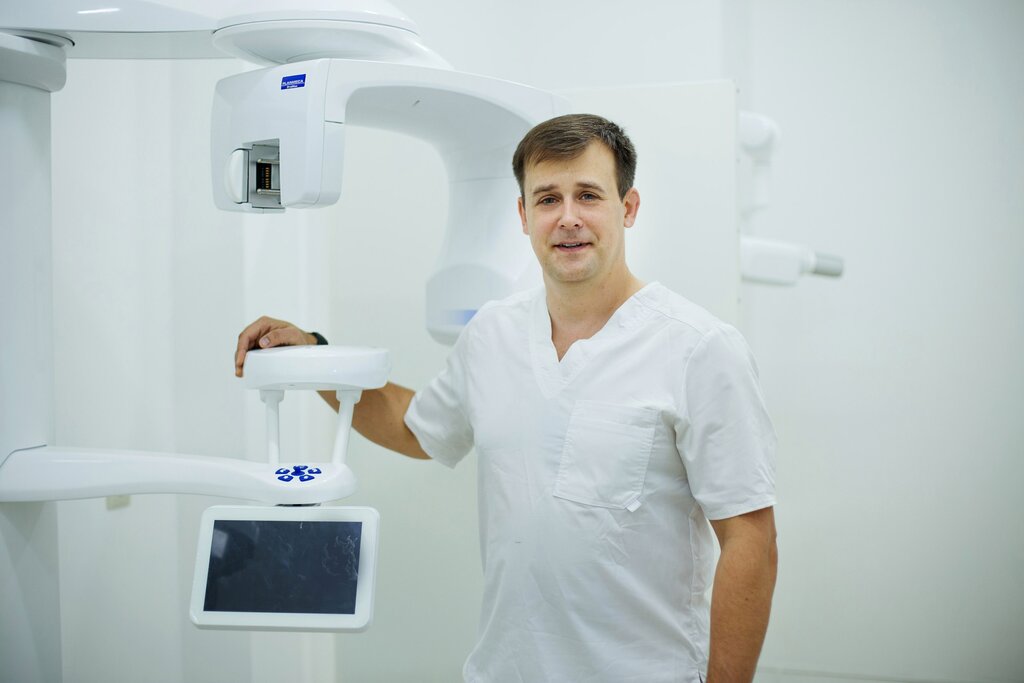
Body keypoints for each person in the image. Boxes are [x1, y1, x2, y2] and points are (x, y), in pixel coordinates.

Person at [235, 114, 778, 683]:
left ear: (629, 207)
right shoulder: (493, 332)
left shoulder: (698, 348)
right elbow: (414, 427)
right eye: (548, 199)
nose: (568, 218)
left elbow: (750, 538)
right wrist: (314, 355)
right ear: (523, 215)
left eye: (588, 195)